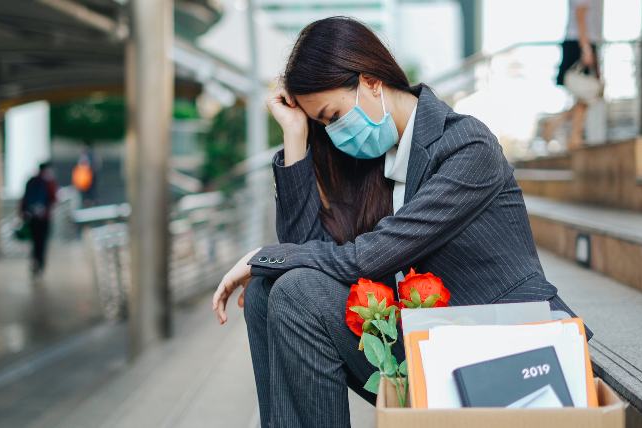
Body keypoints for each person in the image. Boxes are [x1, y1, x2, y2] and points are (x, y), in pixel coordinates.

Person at [211, 17, 591, 428]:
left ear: (372, 82)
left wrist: (265, 255)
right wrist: (295, 135)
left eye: (333, 115)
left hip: (498, 344)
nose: (335, 133)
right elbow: (307, 251)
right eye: (323, 124)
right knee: (271, 290)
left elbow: (364, 258)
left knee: (292, 288)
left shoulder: (467, 146)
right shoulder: (373, 164)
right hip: (425, 339)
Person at [545, 0, 603, 150]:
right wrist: (586, 48)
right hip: (580, 42)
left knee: (586, 97)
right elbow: (580, 15)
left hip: (584, 42)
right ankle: (568, 132)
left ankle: (572, 135)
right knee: (591, 94)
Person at [20, 161, 57, 278]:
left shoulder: (32, 181)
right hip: (43, 218)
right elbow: (54, 198)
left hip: (33, 217)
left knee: (35, 241)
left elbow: (24, 198)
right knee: (41, 241)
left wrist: (23, 212)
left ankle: (35, 261)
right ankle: (39, 263)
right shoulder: (48, 183)